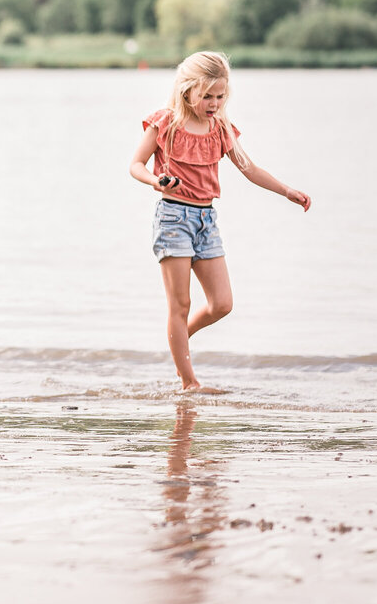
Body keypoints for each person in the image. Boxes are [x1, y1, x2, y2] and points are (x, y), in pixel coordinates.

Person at [129, 50, 311, 392]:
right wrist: (155, 181)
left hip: (206, 221)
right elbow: (136, 164)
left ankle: (178, 338)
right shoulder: (164, 123)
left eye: (220, 96)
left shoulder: (221, 129)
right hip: (173, 217)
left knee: (222, 304)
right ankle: (189, 382)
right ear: (188, 91)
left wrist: (287, 191)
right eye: (207, 96)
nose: (214, 103)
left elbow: (250, 169)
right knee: (180, 304)